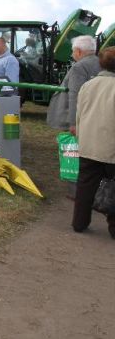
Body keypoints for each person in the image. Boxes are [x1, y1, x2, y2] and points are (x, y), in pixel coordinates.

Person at [72, 46, 115, 239]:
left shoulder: (88, 85)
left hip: (89, 143)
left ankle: (79, 222)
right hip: (112, 145)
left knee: (85, 185)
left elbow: (79, 114)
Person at [47, 35, 101, 135]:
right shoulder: (101, 63)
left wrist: (73, 123)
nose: (72, 55)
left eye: (73, 51)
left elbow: (75, 95)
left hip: (82, 118)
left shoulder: (79, 67)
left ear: (79, 51)